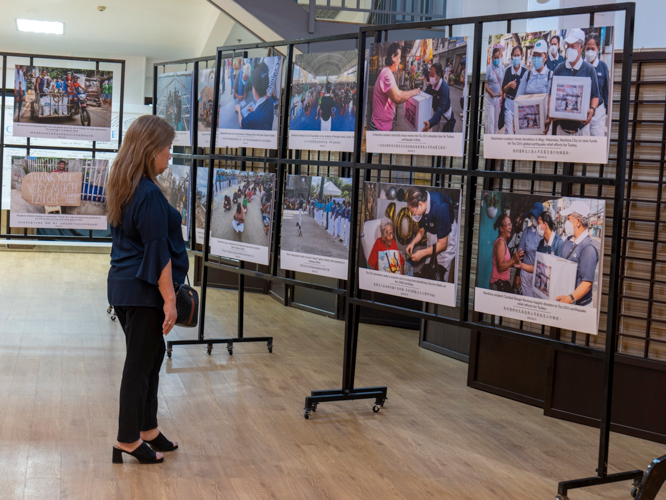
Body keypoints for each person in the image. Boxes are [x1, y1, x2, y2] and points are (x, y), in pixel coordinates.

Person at [106, 115, 186, 465]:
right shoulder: (150, 193)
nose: (170, 154)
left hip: (124, 287)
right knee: (139, 364)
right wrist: (170, 301)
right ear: (150, 149)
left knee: (151, 356)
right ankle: (126, 439)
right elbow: (158, 252)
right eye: (167, 147)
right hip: (144, 292)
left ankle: (148, 428)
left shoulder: (124, 183)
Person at [551, 28, 600, 136]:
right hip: (562, 130)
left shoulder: (589, 69)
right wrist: (550, 110)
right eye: (567, 46)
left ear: (581, 47)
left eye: (572, 46)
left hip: (581, 130)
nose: (569, 49)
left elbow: (595, 96)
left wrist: (592, 109)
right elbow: (552, 95)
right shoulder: (559, 69)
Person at [404, 187, 459, 283]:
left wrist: (422, 253)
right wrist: (413, 243)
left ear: (420, 205)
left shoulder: (440, 207)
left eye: (413, 212)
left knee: (439, 274)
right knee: (429, 269)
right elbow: (421, 231)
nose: (413, 214)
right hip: (432, 231)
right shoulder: (421, 206)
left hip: (446, 235)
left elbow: (442, 245)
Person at [556, 201, 599, 306]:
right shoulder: (568, 240)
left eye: (569, 218)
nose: (566, 222)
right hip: (565, 300)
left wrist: (570, 298)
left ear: (578, 221)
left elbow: (587, 283)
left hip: (579, 305)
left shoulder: (588, 248)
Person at [369, 43, 420, 131]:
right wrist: (414, 92)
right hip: (380, 126)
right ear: (393, 57)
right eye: (399, 57)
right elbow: (397, 97)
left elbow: (398, 92)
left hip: (382, 125)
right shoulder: (387, 74)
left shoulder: (387, 72)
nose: (400, 61)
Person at [514, 202, 544, 298]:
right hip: (526, 274)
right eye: (532, 216)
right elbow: (520, 254)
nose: (533, 218)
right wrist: (517, 275)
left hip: (539, 276)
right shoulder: (526, 231)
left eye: (536, 216)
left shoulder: (544, 233)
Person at [584, 33, 610, 137]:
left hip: (598, 111)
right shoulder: (582, 66)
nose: (590, 51)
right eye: (588, 48)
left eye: (592, 48)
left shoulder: (602, 66)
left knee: (597, 139)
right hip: (584, 110)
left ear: (598, 49)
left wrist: (607, 109)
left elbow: (606, 89)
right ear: (584, 49)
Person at [236, 62, 275, 131]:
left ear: (254, 90)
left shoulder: (253, 118)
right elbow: (264, 116)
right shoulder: (270, 101)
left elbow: (241, 124)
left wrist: (239, 110)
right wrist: (254, 110)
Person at [489, 213, 523, 292]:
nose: (510, 227)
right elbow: (500, 267)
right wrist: (513, 260)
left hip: (501, 283)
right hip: (498, 284)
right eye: (508, 225)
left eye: (510, 224)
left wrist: (514, 261)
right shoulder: (500, 243)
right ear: (501, 228)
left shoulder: (503, 242)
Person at [500, 46, 527, 134]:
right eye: (514, 55)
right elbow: (503, 89)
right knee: (509, 131)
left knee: (519, 131)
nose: (516, 57)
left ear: (521, 56)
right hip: (509, 103)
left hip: (520, 105)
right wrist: (509, 85)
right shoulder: (508, 71)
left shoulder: (525, 72)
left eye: (518, 55)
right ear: (512, 56)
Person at [421, 63, 455, 133]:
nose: (430, 76)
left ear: (439, 75)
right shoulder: (431, 86)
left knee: (441, 133)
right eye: (429, 74)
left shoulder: (444, 88)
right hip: (436, 112)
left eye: (432, 74)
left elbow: (441, 108)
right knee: (435, 131)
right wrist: (415, 93)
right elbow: (424, 95)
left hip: (444, 115)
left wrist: (430, 123)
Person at [484, 48, 505, 135]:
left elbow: (503, 83)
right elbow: (484, 84)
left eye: (498, 58)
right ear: (492, 57)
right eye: (495, 57)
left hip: (498, 99)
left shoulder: (502, 68)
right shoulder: (489, 68)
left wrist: (502, 91)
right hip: (490, 98)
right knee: (491, 120)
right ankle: (489, 138)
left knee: (496, 121)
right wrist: (490, 92)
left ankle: (494, 137)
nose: (496, 59)